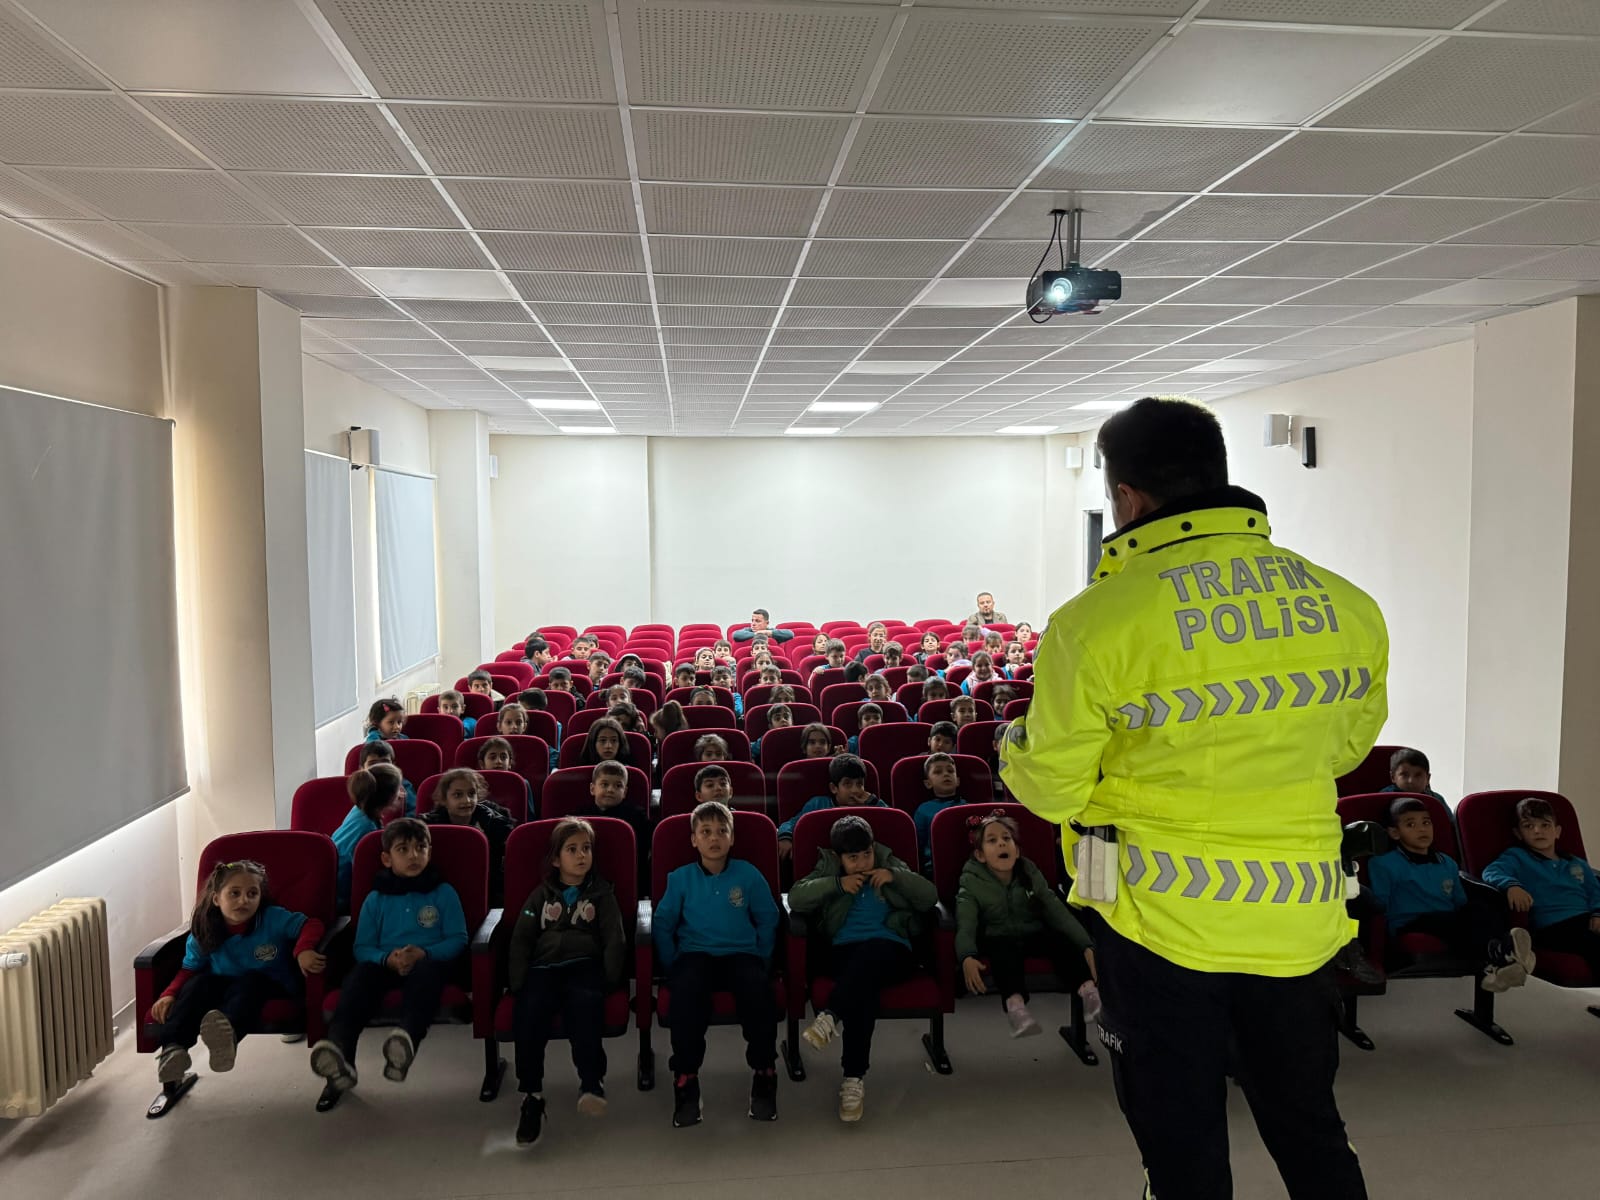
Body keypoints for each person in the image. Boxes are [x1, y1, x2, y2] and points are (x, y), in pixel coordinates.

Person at [1000, 395, 1387, 1200]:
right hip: (1298, 914)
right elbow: (1347, 750)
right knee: (1310, 1126)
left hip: (1159, 923)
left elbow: (1051, 787)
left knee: (1182, 1145)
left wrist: (1019, 750)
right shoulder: (1345, 605)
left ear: (1129, 498)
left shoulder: (1096, 623)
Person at [790, 814, 937, 1123]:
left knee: (870, 959)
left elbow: (929, 898)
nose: (861, 863)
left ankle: (830, 1016)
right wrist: (836, 885)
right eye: (852, 858)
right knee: (862, 992)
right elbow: (797, 898)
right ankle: (853, 1079)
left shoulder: (889, 864)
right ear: (839, 857)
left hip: (894, 950)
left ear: (874, 848)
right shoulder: (830, 869)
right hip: (843, 952)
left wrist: (895, 877)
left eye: (866, 854)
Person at [311, 819, 467, 1096]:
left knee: (426, 974)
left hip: (431, 962)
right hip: (385, 963)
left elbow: (458, 939)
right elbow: (363, 947)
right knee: (359, 977)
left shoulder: (443, 892)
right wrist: (388, 959)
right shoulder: (376, 899)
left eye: (421, 848)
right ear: (386, 858)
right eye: (403, 849)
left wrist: (423, 953)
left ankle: (404, 1040)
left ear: (430, 852)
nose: (413, 855)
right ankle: (340, 1057)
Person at [652, 801, 781, 1126]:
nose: (714, 838)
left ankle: (764, 1071)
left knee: (758, 995)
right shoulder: (680, 879)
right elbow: (663, 922)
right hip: (695, 955)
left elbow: (768, 917)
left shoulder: (748, 874)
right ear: (694, 839)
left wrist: (763, 958)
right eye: (705, 832)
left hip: (742, 954)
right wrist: (672, 963)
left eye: (721, 831)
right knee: (686, 997)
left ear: (732, 837)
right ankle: (686, 1077)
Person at [149, 859, 326, 1086]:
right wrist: (169, 993)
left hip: (269, 983)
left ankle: (226, 1038)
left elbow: (311, 924)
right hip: (224, 984)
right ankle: (173, 1050)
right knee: (198, 985)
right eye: (234, 893)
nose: (244, 900)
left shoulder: (272, 917)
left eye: (252, 894)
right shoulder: (205, 930)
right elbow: (189, 969)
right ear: (216, 899)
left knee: (250, 982)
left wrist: (304, 949)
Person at [509, 817, 627, 1146]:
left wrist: (610, 979)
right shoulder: (540, 897)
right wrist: (518, 982)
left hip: (584, 967)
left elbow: (614, 938)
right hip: (543, 969)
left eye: (586, 849)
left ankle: (591, 1083)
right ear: (556, 859)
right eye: (572, 850)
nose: (581, 856)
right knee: (530, 1014)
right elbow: (522, 936)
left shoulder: (602, 894)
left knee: (586, 1010)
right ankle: (532, 1095)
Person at [956, 810, 1099, 1037]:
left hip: (1032, 930)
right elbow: (966, 923)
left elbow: (1054, 908)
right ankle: (1016, 1008)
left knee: (1059, 941)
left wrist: (1085, 944)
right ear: (980, 855)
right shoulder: (971, 881)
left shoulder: (1028, 871)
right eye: (992, 841)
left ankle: (1089, 993)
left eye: (1007, 839)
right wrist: (966, 956)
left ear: (1017, 850)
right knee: (1004, 953)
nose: (1002, 844)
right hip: (996, 935)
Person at [1366, 797, 1531, 991]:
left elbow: (1459, 900)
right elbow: (1379, 903)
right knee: (1455, 923)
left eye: (1426, 823)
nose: (1422, 829)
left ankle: (1500, 961)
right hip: (1410, 921)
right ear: (1394, 832)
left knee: (1479, 909)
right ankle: (1505, 955)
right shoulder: (1383, 864)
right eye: (1411, 824)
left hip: (1447, 918)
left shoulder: (1447, 863)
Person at [1483, 796, 1600, 978]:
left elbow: (1595, 891)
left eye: (1545, 825)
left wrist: (1597, 913)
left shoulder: (1575, 863)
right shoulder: (1517, 857)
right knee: (1593, 943)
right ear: (1518, 833)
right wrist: (1512, 886)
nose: (1538, 831)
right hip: (1551, 926)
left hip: (1585, 920)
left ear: (1557, 831)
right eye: (1529, 826)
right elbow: (1491, 872)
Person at [420, 769, 516, 905]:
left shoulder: (495, 824)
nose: (467, 800)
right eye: (458, 795)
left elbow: (502, 870)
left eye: (472, 794)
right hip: (439, 892)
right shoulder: (428, 827)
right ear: (445, 800)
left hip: (486, 891)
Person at [777, 753, 885, 858]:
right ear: (834, 788)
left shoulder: (870, 805)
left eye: (859, 784)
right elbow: (791, 823)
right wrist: (786, 837)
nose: (855, 790)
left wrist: (874, 803)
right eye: (847, 784)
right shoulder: (818, 804)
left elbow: (892, 822)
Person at [575, 760, 650, 896]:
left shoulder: (637, 816)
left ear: (625, 791)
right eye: (604, 784)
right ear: (592, 788)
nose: (610, 789)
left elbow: (644, 855)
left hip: (624, 877)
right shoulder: (579, 817)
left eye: (618, 786)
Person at [335, 765, 401, 911]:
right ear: (390, 797)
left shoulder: (358, 810)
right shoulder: (368, 829)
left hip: (334, 889)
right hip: (342, 900)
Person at [912, 752, 966, 872]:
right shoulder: (923, 810)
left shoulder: (966, 806)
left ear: (957, 781)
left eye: (950, 771)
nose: (946, 774)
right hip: (934, 866)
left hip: (966, 862)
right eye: (938, 772)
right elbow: (917, 845)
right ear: (928, 783)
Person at [359, 739, 415, 818]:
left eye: (385, 762)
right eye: (372, 764)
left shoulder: (403, 786)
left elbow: (413, 812)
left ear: (394, 766)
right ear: (362, 769)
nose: (380, 767)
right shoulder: (359, 788)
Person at [1381, 747, 1447, 804]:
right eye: (1404, 775)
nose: (1411, 781)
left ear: (1428, 779)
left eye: (1418, 775)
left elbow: (1448, 819)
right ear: (1393, 777)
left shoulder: (1437, 800)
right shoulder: (1384, 797)